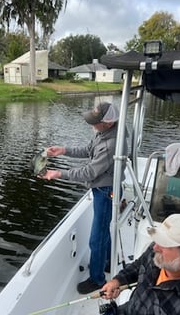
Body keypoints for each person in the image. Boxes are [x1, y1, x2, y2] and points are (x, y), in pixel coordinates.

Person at [40, 101, 128, 294]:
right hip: (103, 190)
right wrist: (64, 150)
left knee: (97, 238)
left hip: (106, 192)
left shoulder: (110, 144)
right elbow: (88, 150)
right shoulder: (103, 134)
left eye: (95, 121)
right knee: (104, 229)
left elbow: (89, 172)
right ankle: (106, 262)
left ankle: (97, 279)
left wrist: (59, 174)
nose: (91, 125)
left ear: (109, 122)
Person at [101, 213, 180, 314]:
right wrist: (117, 281)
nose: (155, 247)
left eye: (165, 244)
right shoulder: (157, 251)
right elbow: (138, 265)